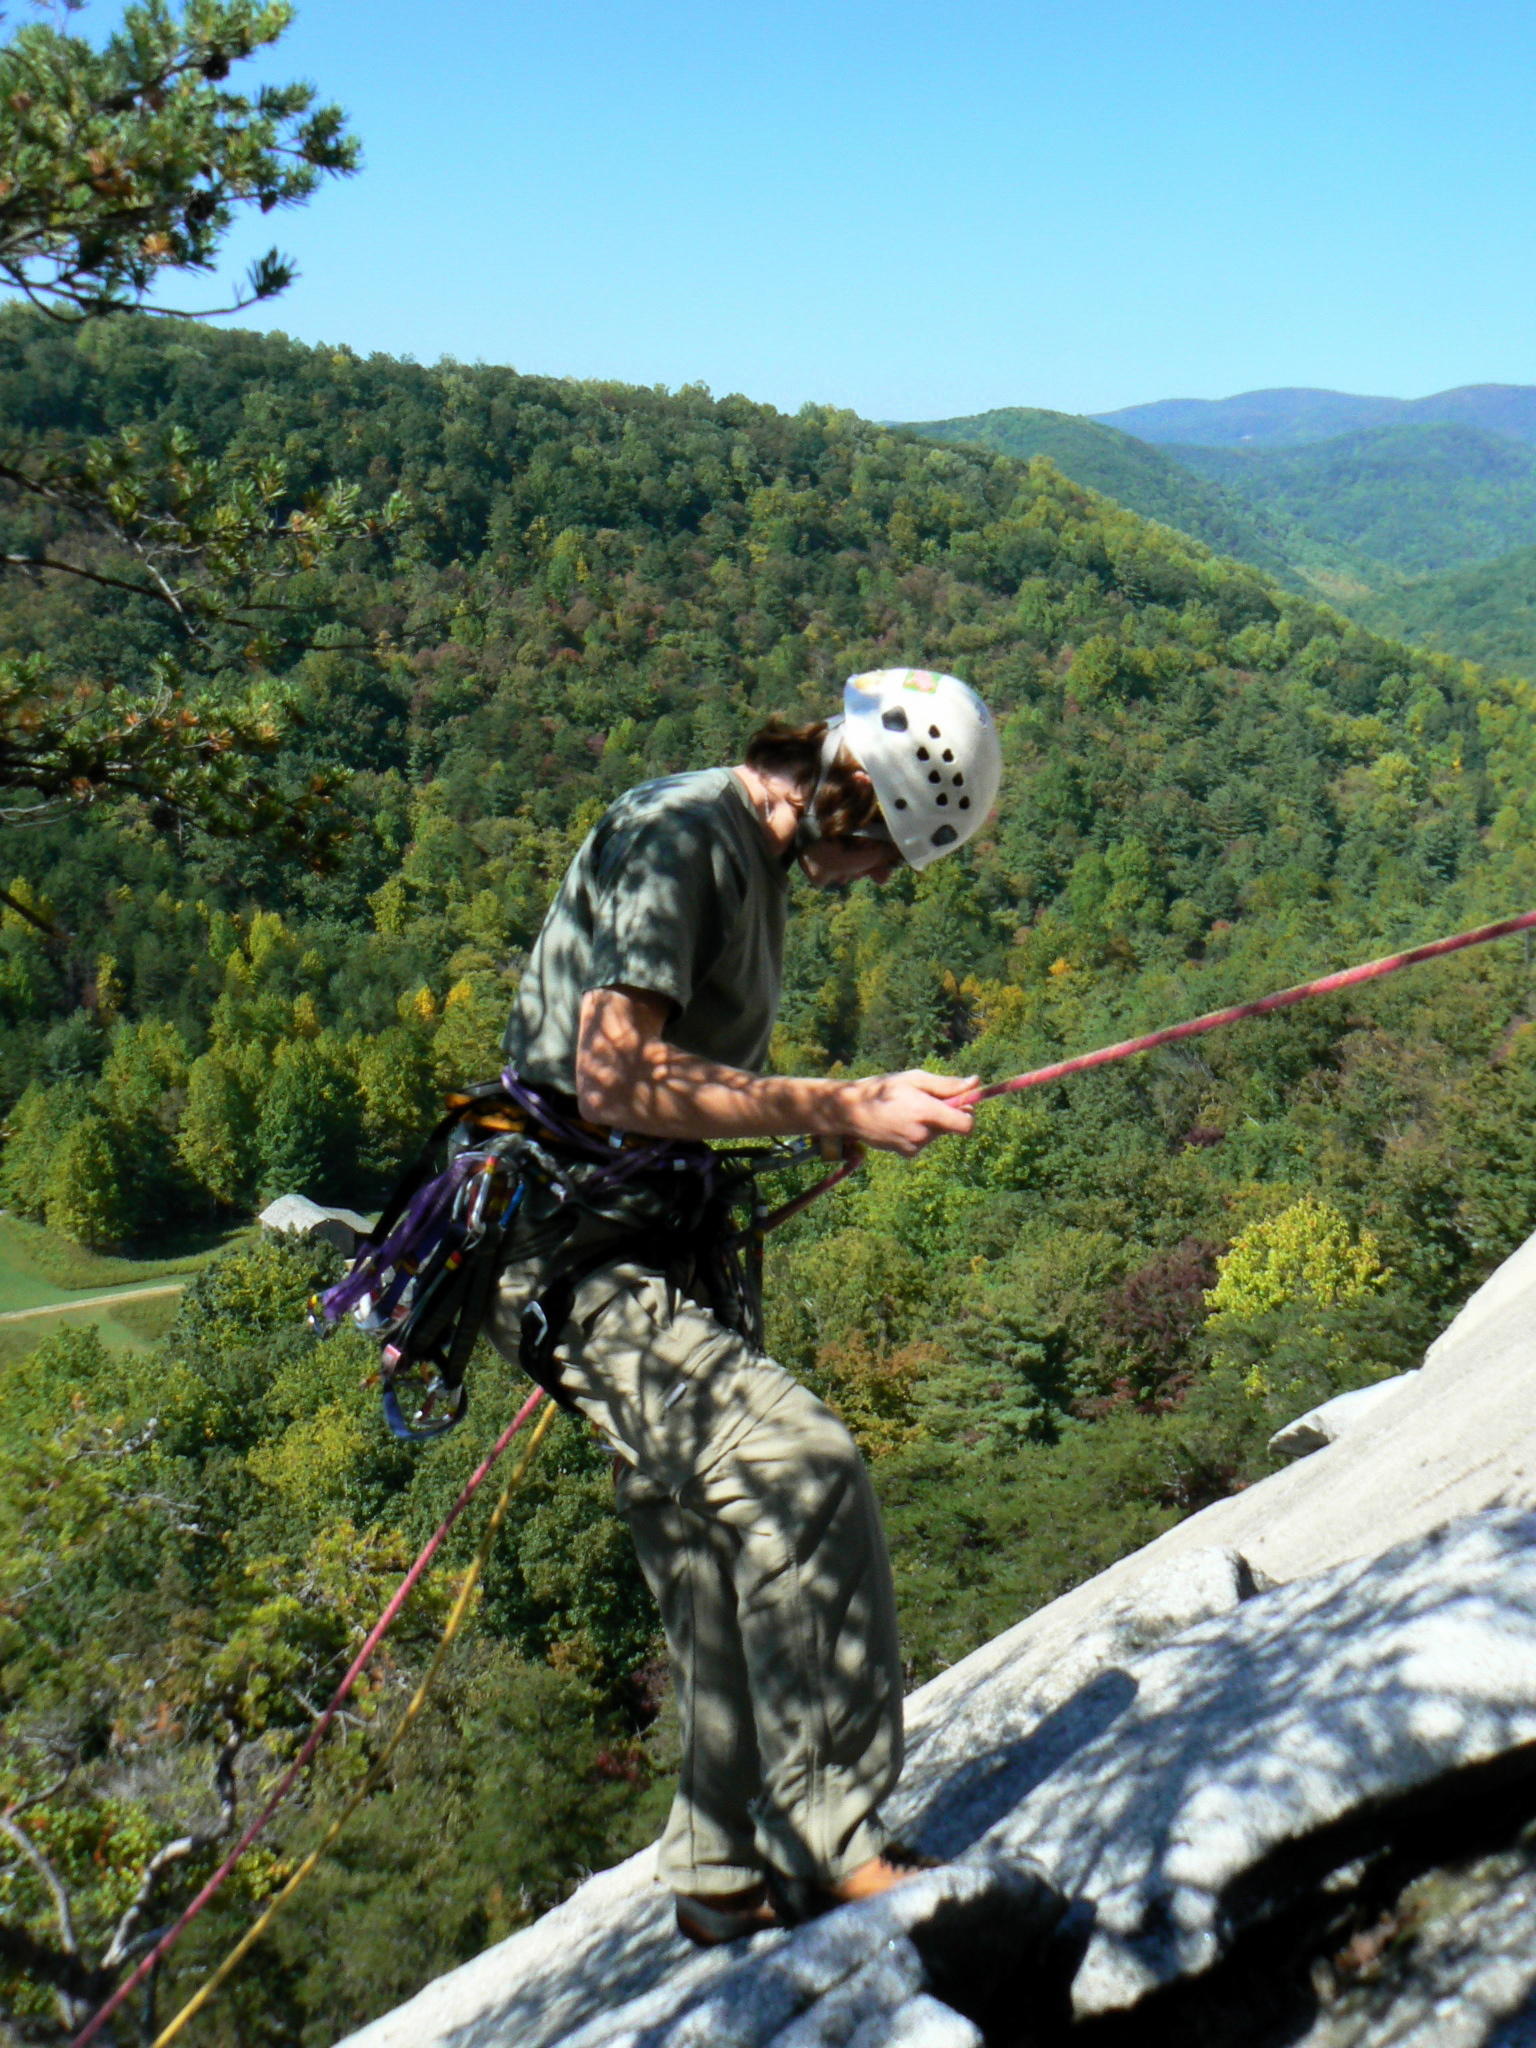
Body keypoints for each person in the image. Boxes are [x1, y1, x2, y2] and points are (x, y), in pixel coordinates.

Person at [488, 667, 1003, 1945]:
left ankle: (722, 1872)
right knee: (801, 1471)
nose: (880, 876)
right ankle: (832, 1846)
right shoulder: (683, 836)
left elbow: (678, 1085)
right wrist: (834, 1100)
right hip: (575, 1254)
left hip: (638, 1244)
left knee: (711, 1543)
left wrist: (788, 1128)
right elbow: (613, 1080)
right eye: (888, 847)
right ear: (850, 796)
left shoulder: (753, 859)